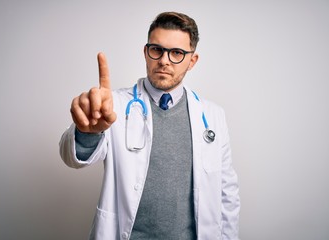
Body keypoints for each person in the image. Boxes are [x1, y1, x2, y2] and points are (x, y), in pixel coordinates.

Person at [60, 11, 240, 240]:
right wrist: (87, 133)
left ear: (192, 61)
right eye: (157, 50)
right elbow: (70, 157)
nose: (164, 60)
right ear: (146, 52)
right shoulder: (112, 106)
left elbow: (227, 194)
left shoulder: (213, 115)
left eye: (177, 53)